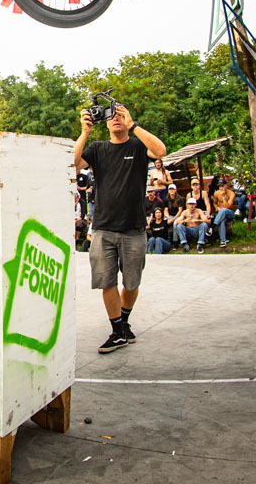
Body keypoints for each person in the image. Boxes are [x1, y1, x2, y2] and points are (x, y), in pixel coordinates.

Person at [74, 102, 167, 354]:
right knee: (106, 281)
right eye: (111, 115)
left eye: (120, 115)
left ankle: (124, 322)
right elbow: (74, 164)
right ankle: (117, 330)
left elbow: (160, 151)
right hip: (103, 227)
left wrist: (133, 125)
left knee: (132, 282)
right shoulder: (98, 148)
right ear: (104, 122)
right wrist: (84, 132)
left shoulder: (137, 146)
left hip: (134, 228)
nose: (116, 119)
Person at [210, 178, 237, 247]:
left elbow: (227, 207)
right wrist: (216, 208)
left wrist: (224, 197)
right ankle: (223, 241)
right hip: (221, 213)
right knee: (221, 220)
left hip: (229, 212)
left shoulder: (231, 194)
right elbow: (215, 203)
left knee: (224, 210)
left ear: (226, 186)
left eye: (222, 186)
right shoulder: (216, 193)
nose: (221, 188)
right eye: (220, 186)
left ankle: (212, 227)